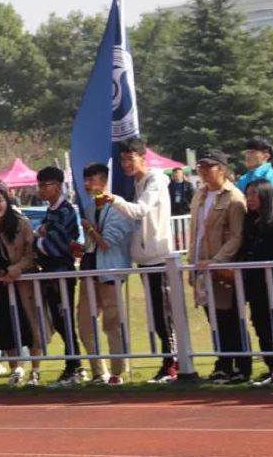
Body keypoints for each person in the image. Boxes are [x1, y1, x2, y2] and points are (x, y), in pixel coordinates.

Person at [98, 137, 176, 382]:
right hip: (144, 259)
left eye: (130, 159)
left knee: (164, 315)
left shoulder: (156, 180)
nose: (126, 164)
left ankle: (173, 365)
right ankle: (169, 363)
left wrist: (114, 199)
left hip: (160, 257)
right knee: (156, 315)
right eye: (123, 160)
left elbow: (141, 210)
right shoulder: (135, 182)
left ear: (143, 157)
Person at [189, 150, 248, 384]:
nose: (203, 171)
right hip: (201, 266)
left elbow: (236, 236)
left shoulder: (234, 197)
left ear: (222, 169)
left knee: (229, 318)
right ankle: (223, 364)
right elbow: (196, 233)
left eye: (209, 166)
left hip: (222, 269)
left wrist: (218, 261)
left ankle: (240, 366)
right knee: (213, 319)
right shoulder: (200, 194)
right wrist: (193, 263)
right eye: (201, 167)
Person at [76, 163, 134, 385]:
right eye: (86, 180)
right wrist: (80, 246)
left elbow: (107, 243)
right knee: (84, 322)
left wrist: (90, 229)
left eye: (92, 180)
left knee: (112, 322)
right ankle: (98, 371)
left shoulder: (118, 209)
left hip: (110, 272)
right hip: (89, 269)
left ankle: (118, 371)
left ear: (104, 181)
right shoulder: (90, 208)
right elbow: (93, 243)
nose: (87, 185)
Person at [0, 185, 42, 385]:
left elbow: (30, 254)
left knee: (32, 327)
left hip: (24, 282)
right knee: (6, 327)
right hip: (2, 285)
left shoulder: (21, 223)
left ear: (7, 202)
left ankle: (35, 370)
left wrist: (16, 269)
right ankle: (16, 369)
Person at [33, 166, 84, 386]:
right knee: (58, 320)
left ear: (58, 185)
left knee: (64, 320)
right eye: (40, 185)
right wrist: (41, 234)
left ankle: (75, 366)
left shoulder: (65, 211)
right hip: (51, 273)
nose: (41, 190)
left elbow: (56, 245)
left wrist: (39, 238)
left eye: (45, 185)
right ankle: (74, 364)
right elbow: (44, 238)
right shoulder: (51, 210)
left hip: (61, 273)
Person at [238, 180, 273, 385]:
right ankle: (272, 368)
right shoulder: (250, 223)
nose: (249, 199)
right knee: (261, 324)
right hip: (256, 284)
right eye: (248, 194)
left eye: (254, 194)